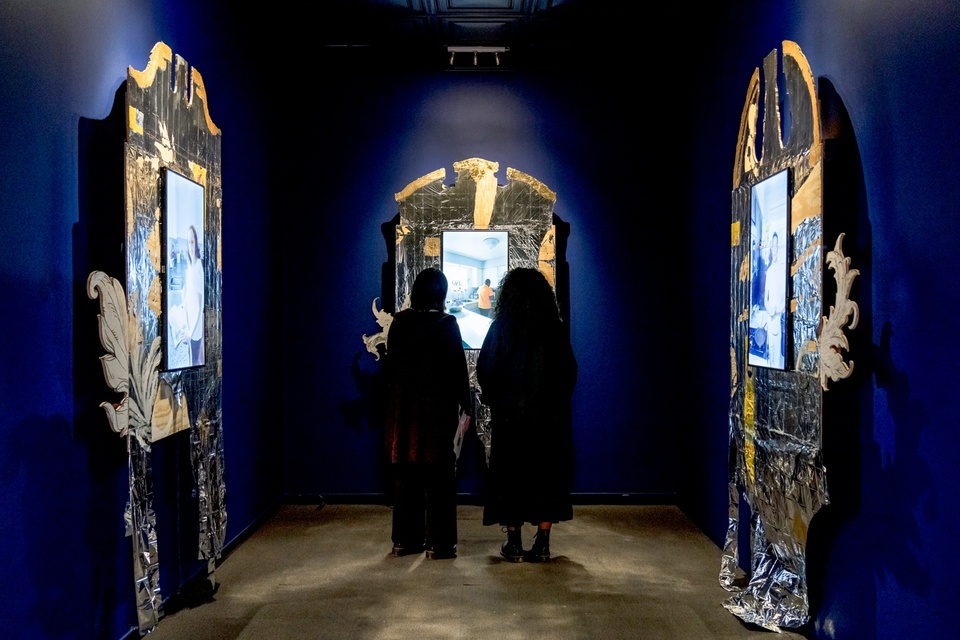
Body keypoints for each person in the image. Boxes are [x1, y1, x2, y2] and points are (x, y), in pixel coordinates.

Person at [477, 267, 578, 562]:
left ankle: (514, 543)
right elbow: (569, 373)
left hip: (510, 421)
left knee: (511, 478)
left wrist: (497, 401)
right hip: (550, 422)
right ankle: (543, 544)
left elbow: (486, 370)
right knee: (547, 478)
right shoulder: (555, 329)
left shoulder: (501, 328)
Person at [384, 267, 472, 560]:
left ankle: (405, 541)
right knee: (441, 479)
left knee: (405, 476)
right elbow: (459, 373)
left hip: (404, 414)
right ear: (442, 294)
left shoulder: (399, 322)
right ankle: (440, 544)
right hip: (436, 415)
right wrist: (467, 406)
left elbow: (391, 369)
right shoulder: (447, 324)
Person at [182, 225, 204, 366]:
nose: (190, 245)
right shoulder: (190, 265)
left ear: (196, 243)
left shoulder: (198, 268)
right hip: (189, 324)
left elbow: (200, 305)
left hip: (194, 330)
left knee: (195, 363)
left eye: (192, 241)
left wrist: (190, 332)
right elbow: (188, 291)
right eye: (188, 241)